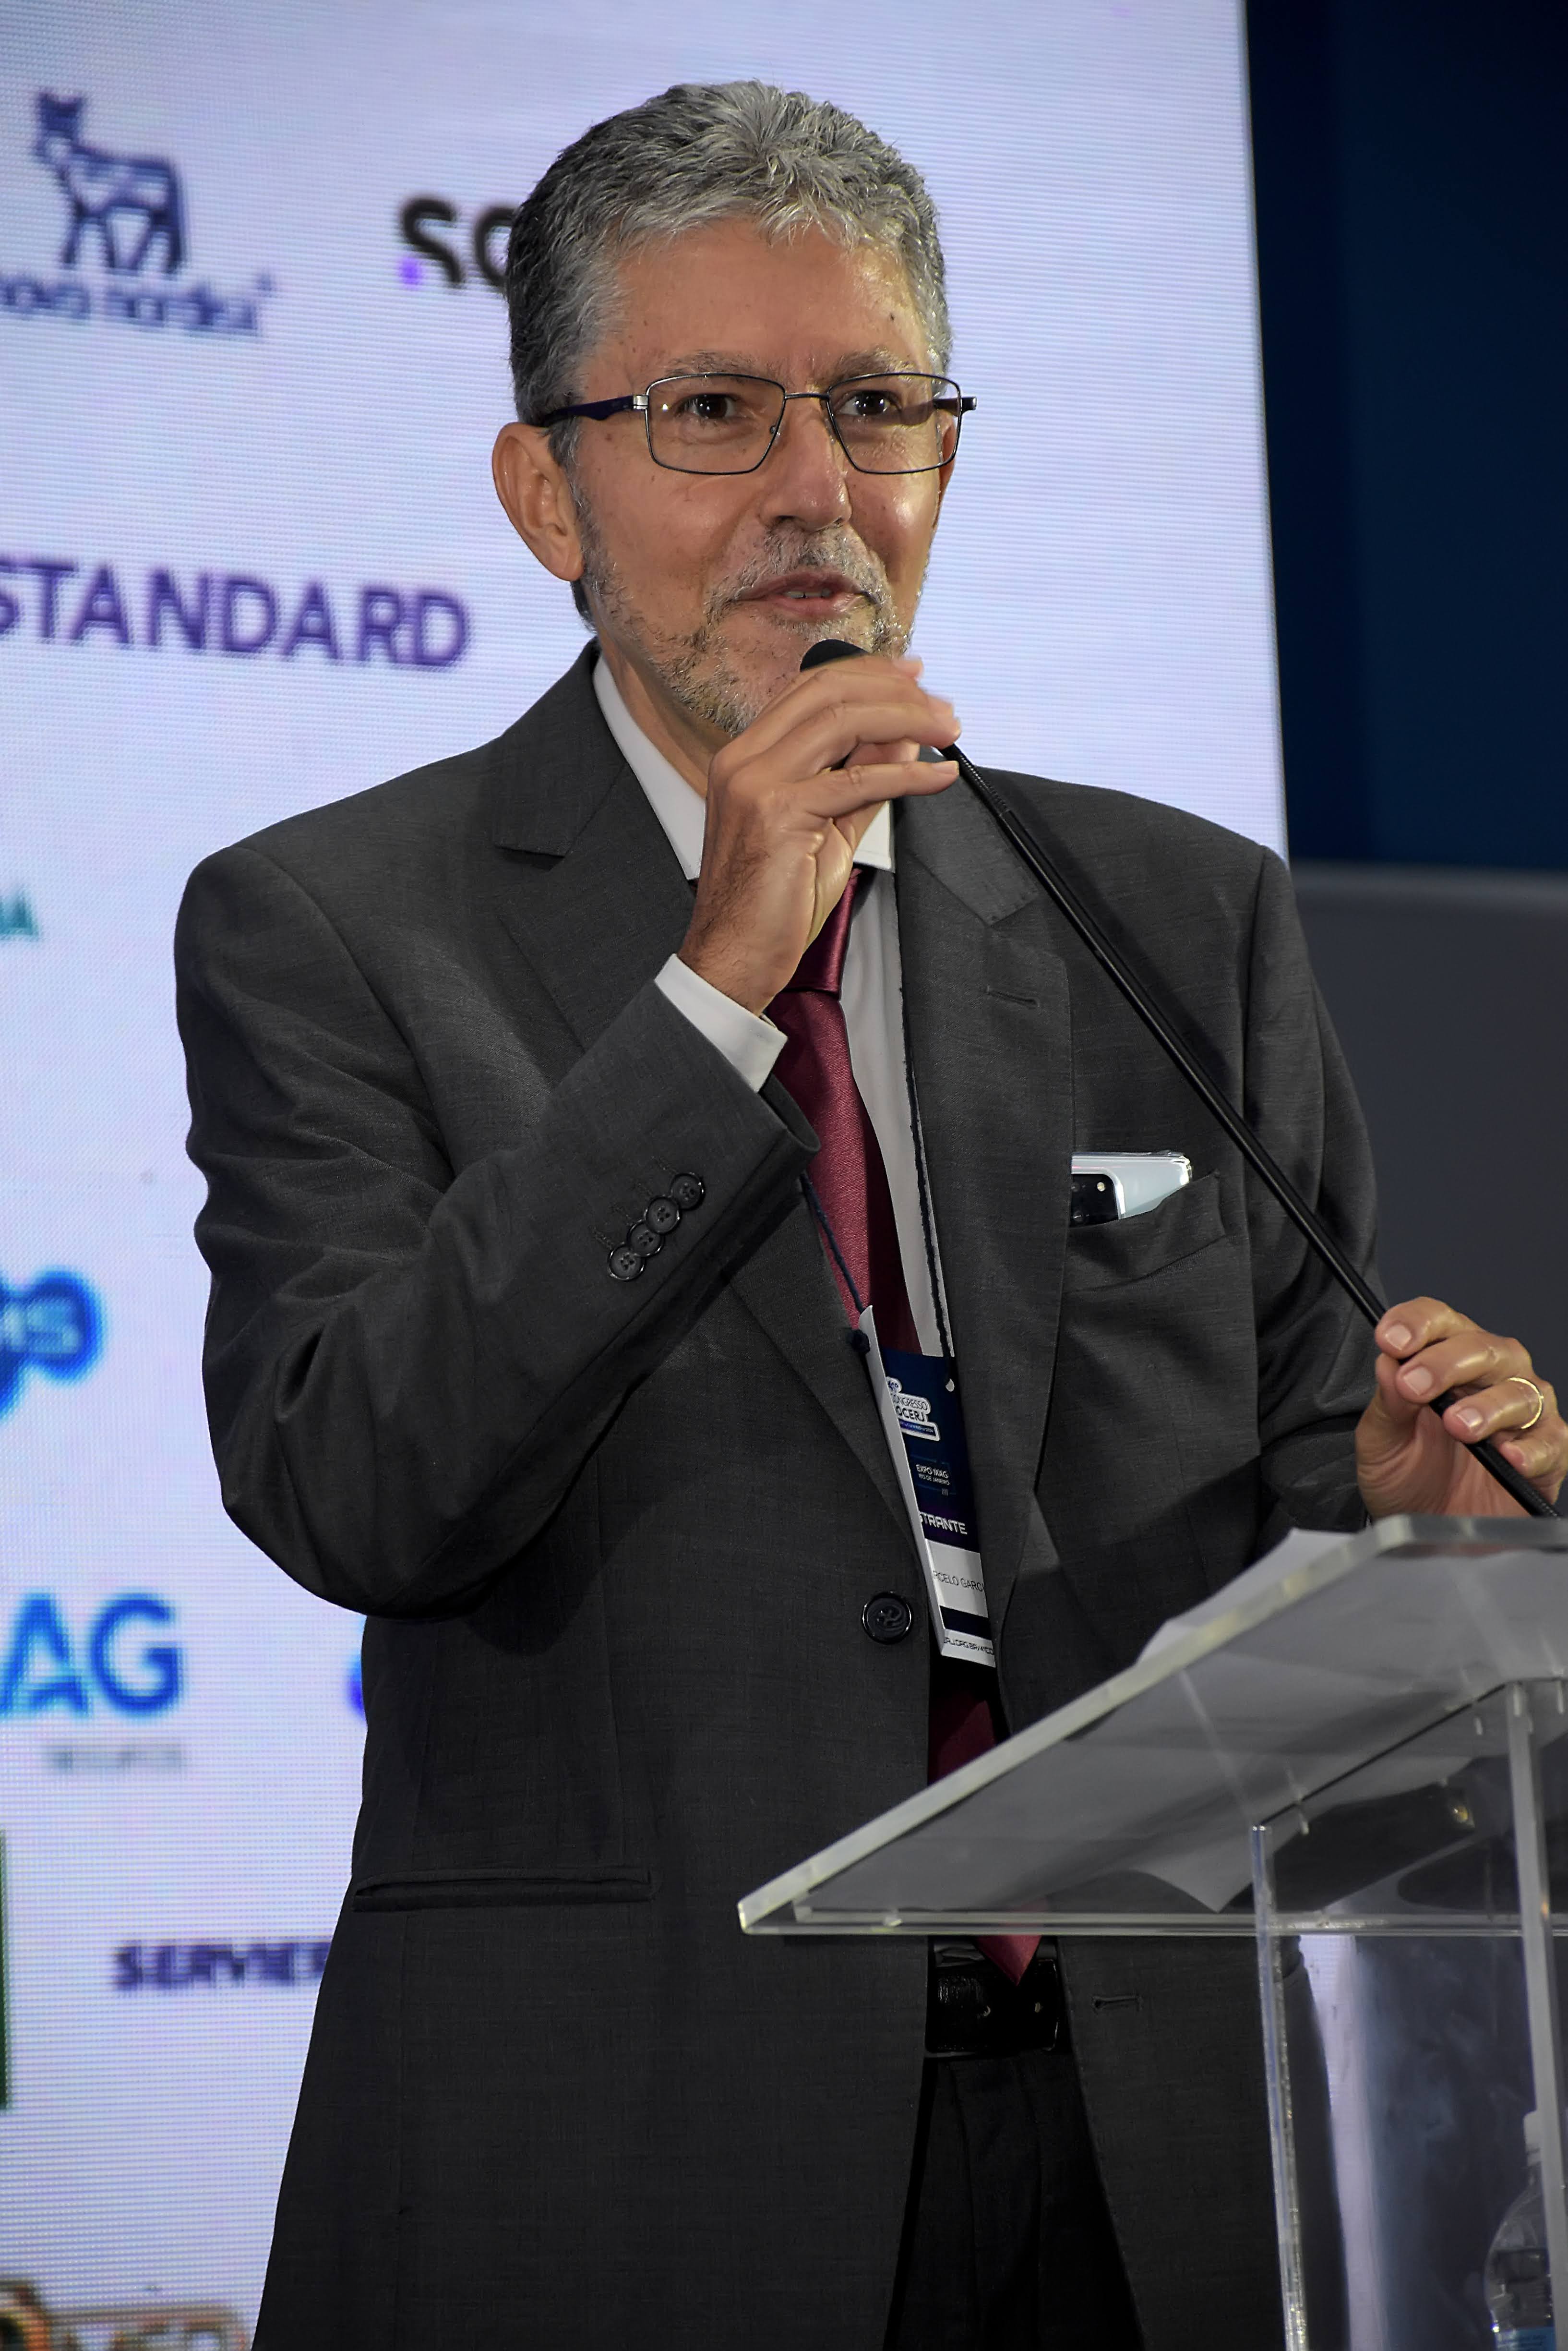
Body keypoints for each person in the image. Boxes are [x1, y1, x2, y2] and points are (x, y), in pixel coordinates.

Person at [174, 82, 1564, 2351]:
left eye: (878, 406)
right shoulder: (335, 923)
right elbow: (354, 1474)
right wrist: (715, 989)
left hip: (1162, 2164)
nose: (817, 488)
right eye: (714, 411)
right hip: (626, 2150)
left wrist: (1404, 1527)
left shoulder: (1174, 913)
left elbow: (1294, 1510)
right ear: (548, 492)